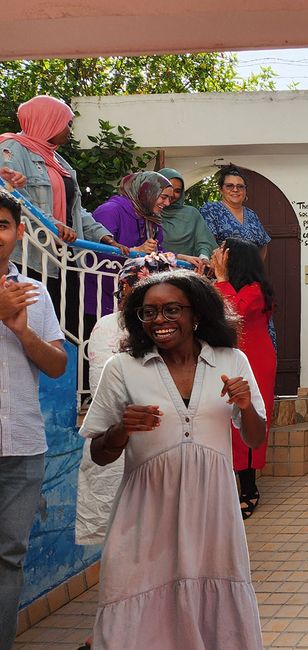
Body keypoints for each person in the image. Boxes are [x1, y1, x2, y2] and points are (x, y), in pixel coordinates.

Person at [80, 270, 265, 649]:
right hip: (145, 510)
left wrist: (246, 407)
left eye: (171, 310)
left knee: (210, 589)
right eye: (149, 313)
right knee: (134, 589)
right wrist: (121, 430)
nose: (159, 321)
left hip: (213, 509)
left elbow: (255, 437)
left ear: (196, 313)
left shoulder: (232, 360)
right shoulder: (123, 367)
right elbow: (99, 455)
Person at [0, 188, 67, 650]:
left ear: (19, 233)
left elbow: (58, 365)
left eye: (2, 225)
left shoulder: (35, 292)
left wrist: (20, 329)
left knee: (9, 557)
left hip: (23, 445)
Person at [76, 254, 179, 547]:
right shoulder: (109, 328)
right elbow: (105, 395)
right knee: (125, 540)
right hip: (122, 449)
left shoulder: (182, 332)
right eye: (135, 295)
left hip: (172, 452)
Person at [0, 95, 125, 333]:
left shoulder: (58, 160)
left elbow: (76, 210)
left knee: (63, 329)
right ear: (48, 121)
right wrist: (54, 225)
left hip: (64, 258)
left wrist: (104, 237)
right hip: (31, 258)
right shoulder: (10, 149)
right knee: (33, 326)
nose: (69, 129)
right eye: (66, 123)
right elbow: (14, 202)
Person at [212, 238, 277, 520]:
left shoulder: (255, 291)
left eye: (222, 254)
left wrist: (221, 279)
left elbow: (231, 311)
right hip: (228, 360)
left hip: (255, 362)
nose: (217, 257)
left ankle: (249, 490)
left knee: (249, 415)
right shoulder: (231, 286)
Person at [87, 172, 178, 317]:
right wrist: (136, 251)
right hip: (100, 298)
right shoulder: (110, 211)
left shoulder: (150, 218)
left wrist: (183, 258)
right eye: (163, 197)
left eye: (169, 198)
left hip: (133, 300)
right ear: (147, 193)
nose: (167, 203)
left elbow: (157, 252)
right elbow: (94, 255)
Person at [199, 166, 272, 259]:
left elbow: (263, 244)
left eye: (240, 186)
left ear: (245, 190)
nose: (235, 190)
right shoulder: (211, 209)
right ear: (221, 189)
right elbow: (207, 243)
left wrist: (257, 267)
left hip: (250, 272)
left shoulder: (251, 214)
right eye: (229, 186)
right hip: (222, 271)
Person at [157, 168, 215, 267]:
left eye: (177, 191)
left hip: (187, 271)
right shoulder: (149, 213)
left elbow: (204, 242)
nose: (172, 194)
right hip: (154, 270)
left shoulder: (191, 214)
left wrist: (203, 257)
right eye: (168, 188)